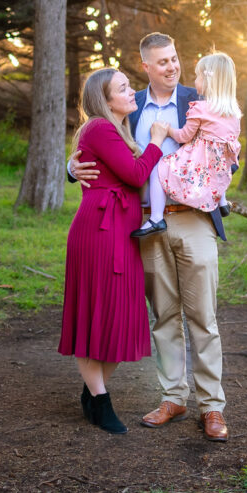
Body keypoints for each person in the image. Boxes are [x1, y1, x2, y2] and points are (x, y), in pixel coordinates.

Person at [69, 32, 230, 442]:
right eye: (162, 62)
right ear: (146, 66)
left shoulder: (201, 100)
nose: (172, 67)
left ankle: (211, 407)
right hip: (143, 225)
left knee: (203, 317)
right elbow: (96, 146)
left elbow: (227, 147)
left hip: (193, 219)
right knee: (163, 316)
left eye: (175, 59)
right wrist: (71, 168)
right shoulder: (130, 106)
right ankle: (173, 397)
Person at [59, 67, 169, 434]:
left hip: (122, 231)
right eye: (123, 88)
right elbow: (136, 175)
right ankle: (101, 401)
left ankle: (92, 392)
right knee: (95, 312)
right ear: (105, 101)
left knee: (120, 315)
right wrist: (155, 141)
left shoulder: (118, 128)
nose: (131, 91)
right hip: (99, 233)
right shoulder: (101, 128)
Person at [132, 52, 241, 238]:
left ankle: (156, 218)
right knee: (217, 169)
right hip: (219, 161)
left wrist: (168, 131)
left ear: (208, 81)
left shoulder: (200, 108)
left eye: (198, 76)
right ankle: (222, 201)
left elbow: (184, 136)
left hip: (198, 158)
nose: (196, 80)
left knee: (158, 168)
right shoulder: (233, 111)